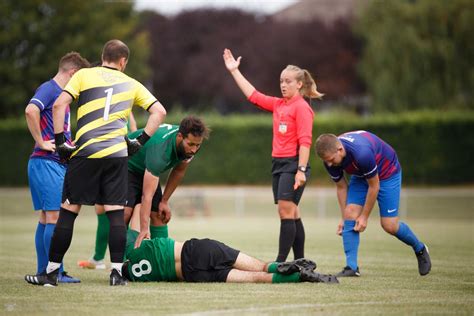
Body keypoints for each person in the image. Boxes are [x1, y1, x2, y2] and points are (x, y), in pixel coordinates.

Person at [24, 39, 167, 287]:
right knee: (114, 214)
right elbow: (159, 111)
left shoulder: (84, 76)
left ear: (103, 56)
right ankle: (116, 274)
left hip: (85, 153)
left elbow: (59, 104)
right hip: (116, 155)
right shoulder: (131, 83)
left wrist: (60, 142)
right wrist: (139, 141)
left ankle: (50, 274)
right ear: (123, 62)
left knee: (68, 212)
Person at [223, 48, 322, 262]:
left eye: (288, 81)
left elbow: (305, 142)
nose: (283, 85)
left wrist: (301, 170)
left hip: (293, 164)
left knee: (286, 211)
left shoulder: (302, 108)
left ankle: (280, 263)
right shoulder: (279, 105)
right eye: (281, 81)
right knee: (292, 212)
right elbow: (254, 96)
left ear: (299, 84)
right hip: (278, 164)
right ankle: (301, 262)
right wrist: (234, 71)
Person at [78, 116, 209, 268]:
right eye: (191, 144)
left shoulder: (189, 147)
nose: (194, 149)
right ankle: (119, 266)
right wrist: (144, 229)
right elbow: (146, 195)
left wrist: (164, 201)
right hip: (126, 165)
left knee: (159, 216)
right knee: (124, 214)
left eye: (197, 145)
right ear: (180, 136)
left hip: (148, 169)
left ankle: (162, 262)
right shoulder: (160, 150)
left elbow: (179, 171)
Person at [122, 204, 338, 284]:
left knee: (255, 278)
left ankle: (299, 276)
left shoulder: (134, 276)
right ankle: (281, 265)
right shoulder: (133, 246)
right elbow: (140, 206)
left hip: (191, 275)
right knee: (259, 266)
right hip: (197, 250)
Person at [314, 131, 432, 277]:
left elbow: (374, 186)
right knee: (349, 213)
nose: (330, 164)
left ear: (340, 149)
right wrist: (344, 218)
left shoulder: (361, 154)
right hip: (361, 175)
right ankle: (352, 267)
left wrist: (364, 217)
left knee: (389, 225)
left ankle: (420, 248)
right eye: (327, 161)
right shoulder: (330, 159)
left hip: (388, 173)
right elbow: (341, 187)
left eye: (331, 159)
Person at [24, 52, 90, 284]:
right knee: (54, 217)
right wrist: (42, 141)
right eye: (79, 78)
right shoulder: (50, 89)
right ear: (72, 73)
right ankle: (53, 273)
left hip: (52, 164)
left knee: (46, 218)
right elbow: (30, 110)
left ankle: (48, 270)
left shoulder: (61, 97)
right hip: (45, 162)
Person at [77, 111, 138, 270]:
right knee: (101, 208)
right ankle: (98, 258)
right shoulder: (104, 105)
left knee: (121, 210)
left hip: (120, 158)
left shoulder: (120, 104)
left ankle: (122, 259)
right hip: (105, 157)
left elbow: (133, 130)